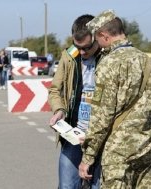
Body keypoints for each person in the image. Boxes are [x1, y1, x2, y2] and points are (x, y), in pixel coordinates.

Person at [78, 10, 151, 189]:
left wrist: (88, 158)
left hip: (118, 155)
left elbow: (102, 116)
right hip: (146, 149)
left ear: (104, 35)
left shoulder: (109, 64)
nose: (97, 44)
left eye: (97, 38)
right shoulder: (149, 62)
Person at [48, 14, 102, 189]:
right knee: (67, 185)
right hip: (73, 135)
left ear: (98, 37)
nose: (83, 52)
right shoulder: (69, 56)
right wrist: (59, 110)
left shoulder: (110, 58)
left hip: (102, 137)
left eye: (87, 48)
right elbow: (55, 90)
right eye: (78, 47)